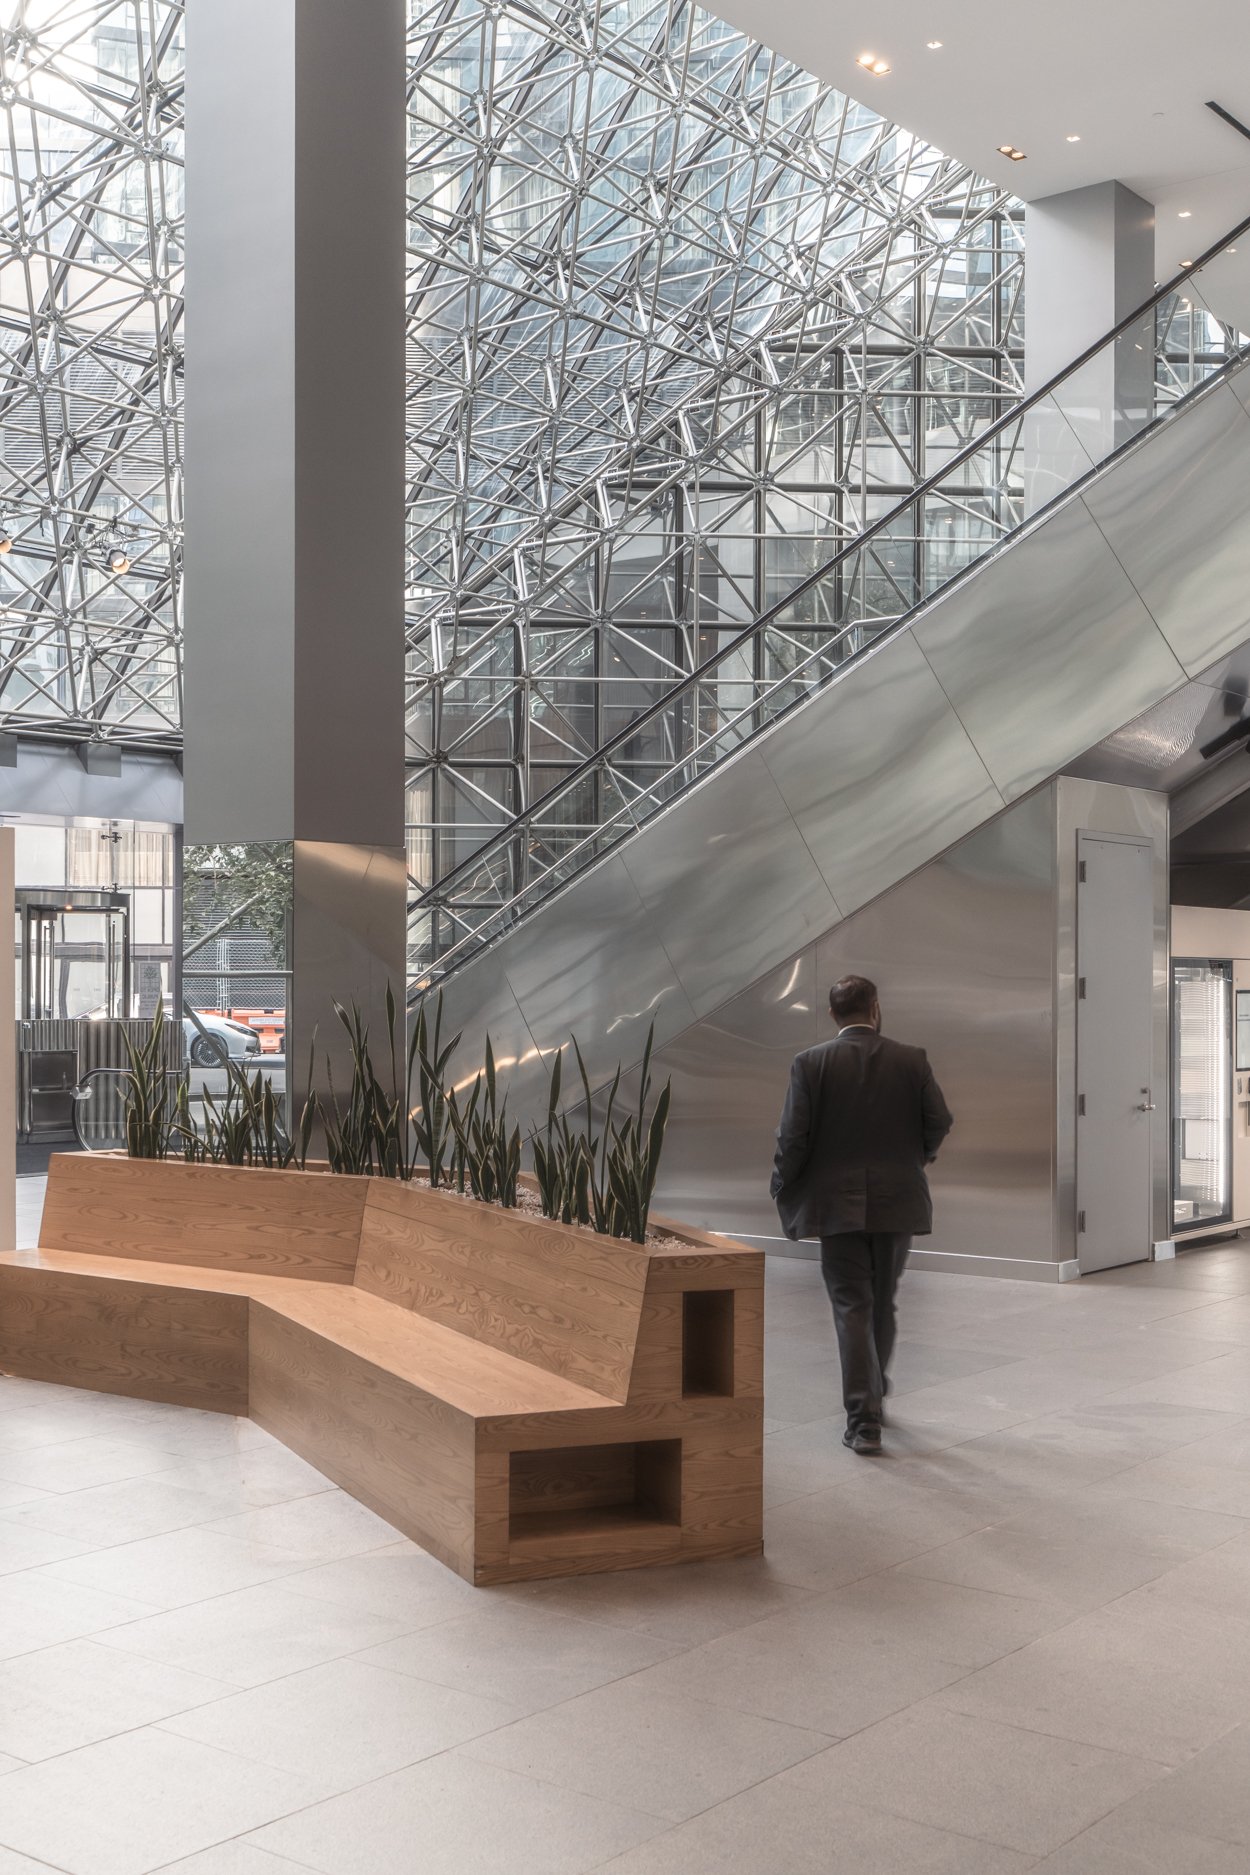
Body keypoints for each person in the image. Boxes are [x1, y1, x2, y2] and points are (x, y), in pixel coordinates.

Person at [770, 974, 952, 1455]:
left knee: (852, 1304)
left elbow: (792, 1137)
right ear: (875, 1007)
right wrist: (918, 1159)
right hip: (899, 1200)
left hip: (836, 1205)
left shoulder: (810, 1064)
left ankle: (863, 1419)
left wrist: (782, 1184)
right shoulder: (911, 1060)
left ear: (833, 1014)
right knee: (883, 1300)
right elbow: (940, 1121)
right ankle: (874, 1395)